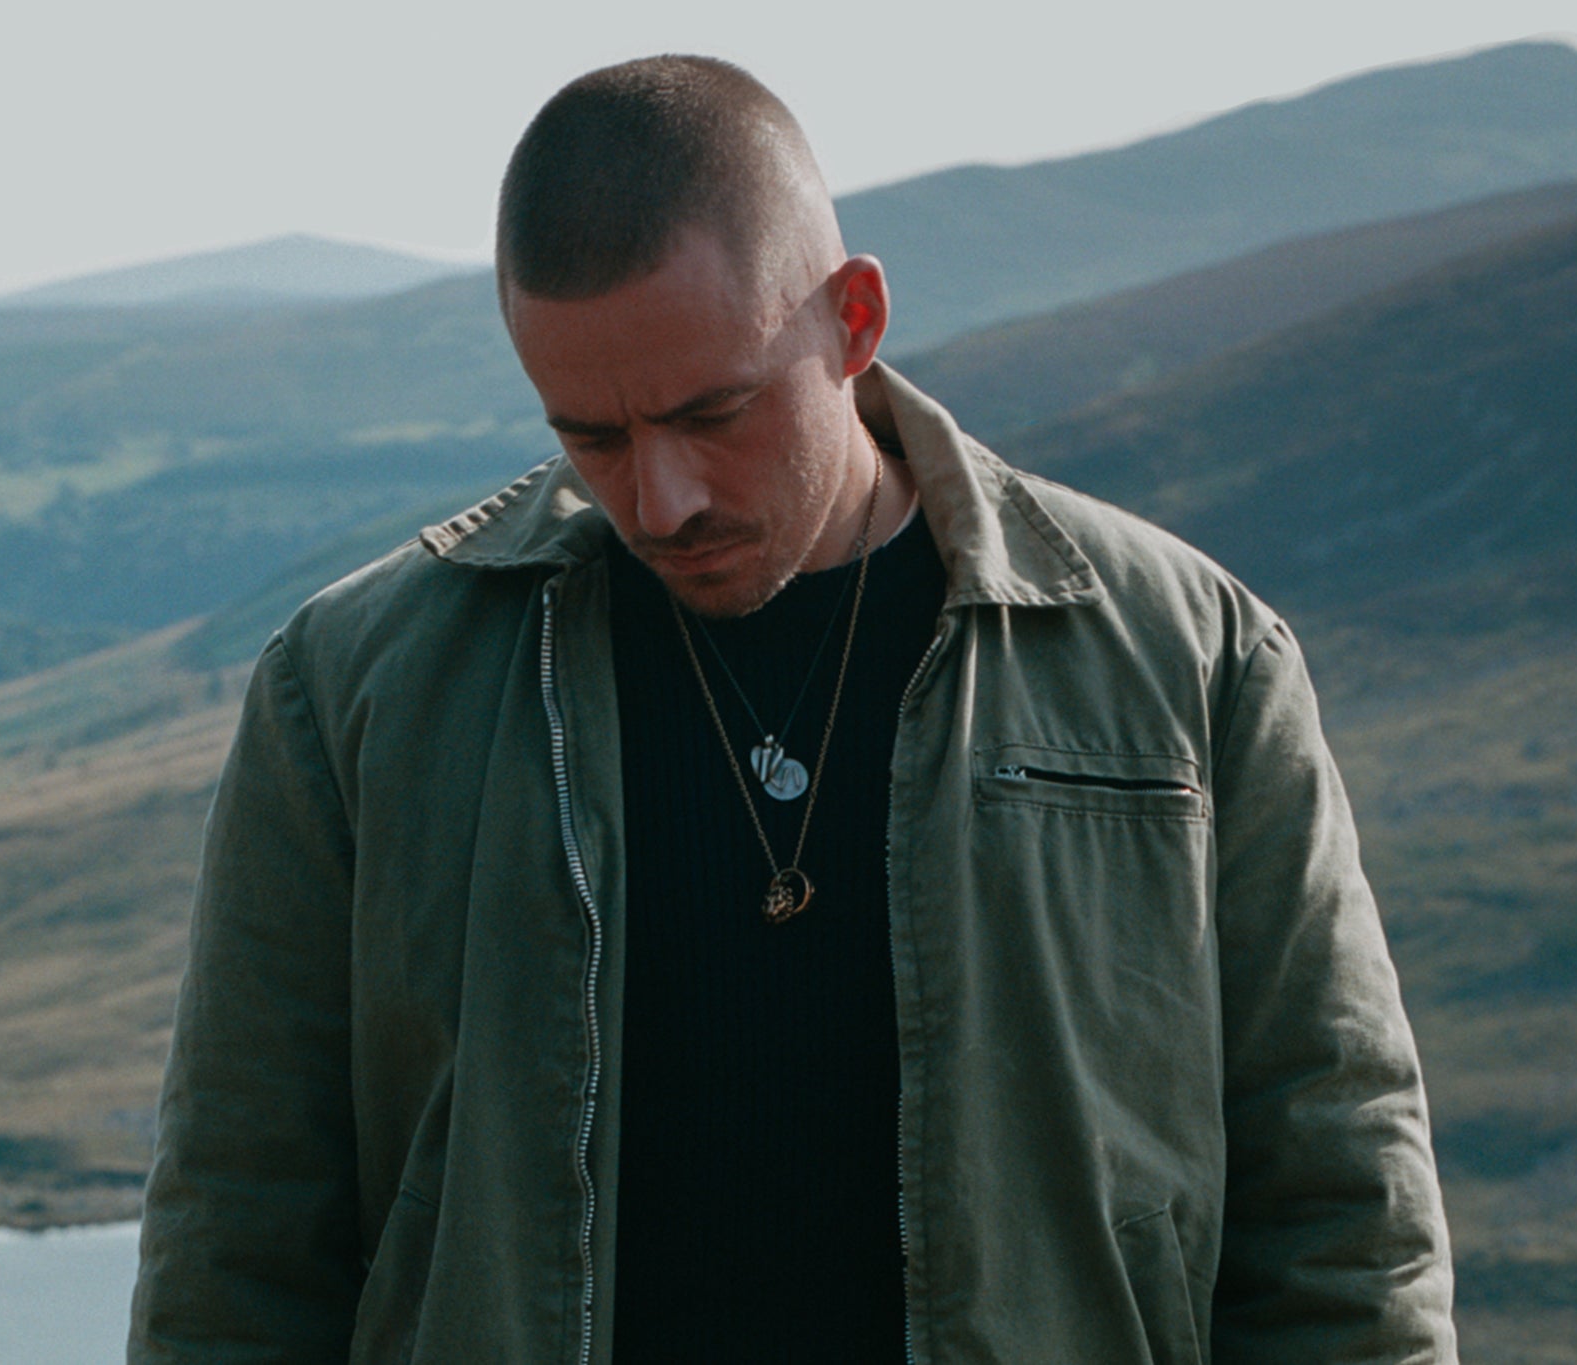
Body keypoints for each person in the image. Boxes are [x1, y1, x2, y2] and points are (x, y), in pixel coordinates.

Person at [129, 55, 1456, 1364]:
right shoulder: (353, 690)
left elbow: (1341, 1209)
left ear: (854, 319)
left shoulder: (1183, 654)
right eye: (592, 436)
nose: (662, 502)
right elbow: (235, 1240)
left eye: (714, 413)